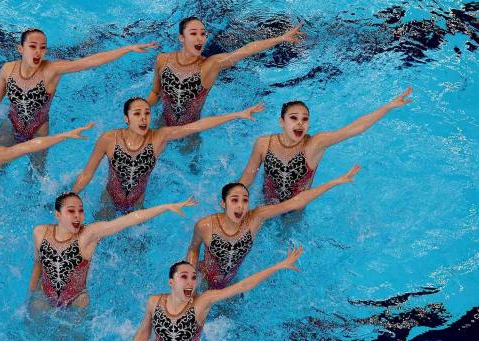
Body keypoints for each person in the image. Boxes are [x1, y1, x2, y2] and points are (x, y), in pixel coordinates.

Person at [0, 28, 156, 173]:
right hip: (11, 124)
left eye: (42, 48)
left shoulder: (52, 70)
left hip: (38, 130)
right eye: (33, 46)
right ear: (21, 49)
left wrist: (127, 49)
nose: (38, 52)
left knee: (37, 174)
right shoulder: (8, 70)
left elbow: (89, 62)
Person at [72, 97, 264, 215]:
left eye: (147, 113)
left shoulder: (159, 137)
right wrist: (72, 196)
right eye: (137, 114)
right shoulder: (109, 139)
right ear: (126, 118)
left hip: (138, 206)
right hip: (109, 199)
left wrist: (237, 114)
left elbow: (195, 126)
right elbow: (87, 174)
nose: (143, 118)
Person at [187, 164, 359, 289]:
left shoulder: (256, 218)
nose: (240, 206)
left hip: (232, 282)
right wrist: (189, 281)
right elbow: (194, 249)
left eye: (245, 200)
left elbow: (296, 202)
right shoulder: (205, 226)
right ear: (223, 203)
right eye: (234, 200)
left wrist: (336, 181)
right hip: (203, 280)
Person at [130, 246, 304, 341]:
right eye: (184, 277)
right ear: (171, 282)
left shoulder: (202, 303)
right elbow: (144, 332)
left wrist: (279, 265)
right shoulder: (155, 302)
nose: (190, 282)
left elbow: (243, 286)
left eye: (193, 277)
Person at [239, 87, 412, 203]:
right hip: (266, 204)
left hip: (295, 212)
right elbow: (248, 177)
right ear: (281, 122)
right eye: (293, 118)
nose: (300, 123)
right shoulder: (264, 144)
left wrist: (388, 107)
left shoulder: (314, 144)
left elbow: (353, 129)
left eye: (305, 119)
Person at [28, 193, 197, 308]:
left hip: (76, 302)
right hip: (45, 296)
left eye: (81, 210)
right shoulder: (40, 233)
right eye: (71, 211)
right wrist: (31, 293)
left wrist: (166, 207)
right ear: (58, 214)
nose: (77, 216)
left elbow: (127, 220)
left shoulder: (88, 235)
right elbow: (38, 263)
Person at [147, 17, 304, 127]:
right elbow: (155, 92)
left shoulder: (210, 66)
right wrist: (142, 108)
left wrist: (280, 38)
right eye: (193, 33)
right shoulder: (163, 60)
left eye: (203, 34)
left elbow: (245, 50)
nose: (200, 38)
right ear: (181, 38)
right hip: (160, 124)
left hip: (190, 132)